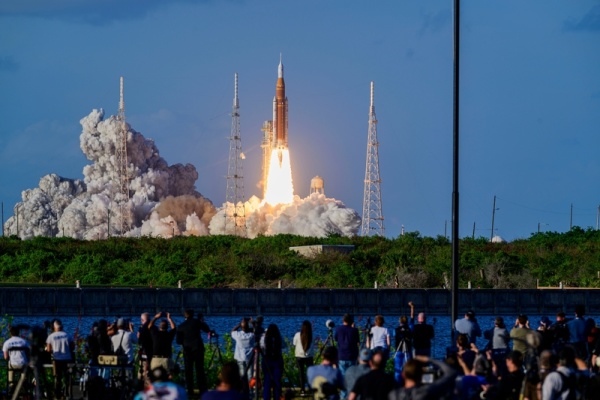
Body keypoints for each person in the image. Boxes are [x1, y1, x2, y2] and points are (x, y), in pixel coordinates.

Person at [388, 356, 457, 400]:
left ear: (403, 375)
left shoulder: (393, 395)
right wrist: (428, 359)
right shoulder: (425, 392)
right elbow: (451, 372)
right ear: (421, 375)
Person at [177, 309, 211, 398]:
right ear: (193, 314)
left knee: (188, 371)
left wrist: (184, 342)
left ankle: (190, 391)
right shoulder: (196, 322)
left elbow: (178, 341)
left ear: (184, 315)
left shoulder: (181, 326)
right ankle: (202, 390)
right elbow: (207, 329)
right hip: (198, 349)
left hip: (187, 350)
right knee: (200, 370)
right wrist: (201, 321)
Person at [46, 319, 74, 400]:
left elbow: (48, 350)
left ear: (54, 327)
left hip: (57, 360)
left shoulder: (51, 336)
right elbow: (72, 347)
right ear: (62, 326)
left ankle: (57, 395)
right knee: (67, 377)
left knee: (57, 378)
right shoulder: (68, 335)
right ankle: (68, 393)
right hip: (67, 359)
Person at [334, 314, 360, 399]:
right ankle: (352, 396)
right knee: (352, 378)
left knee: (343, 379)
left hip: (342, 356)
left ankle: (343, 396)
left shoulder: (338, 329)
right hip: (352, 356)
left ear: (343, 320)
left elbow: (336, 339)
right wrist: (353, 328)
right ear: (351, 321)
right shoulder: (355, 330)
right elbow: (357, 342)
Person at [261, 323, 284, 400]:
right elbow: (284, 345)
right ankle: (277, 397)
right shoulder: (279, 338)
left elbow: (261, 346)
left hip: (267, 360)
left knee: (267, 381)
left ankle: (266, 397)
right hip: (277, 360)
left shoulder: (264, 338)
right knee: (277, 381)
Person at [3, 325, 30, 391]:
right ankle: (24, 383)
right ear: (18, 333)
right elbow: (29, 353)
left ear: (10, 333)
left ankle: (11, 384)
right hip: (23, 364)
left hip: (13, 365)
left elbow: (6, 357)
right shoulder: (24, 342)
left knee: (9, 364)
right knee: (25, 365)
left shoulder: (7, 342)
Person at [231, 317, 255, 389]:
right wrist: (252, 323)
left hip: (240, 358)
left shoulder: (238, 335)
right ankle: (250, 391)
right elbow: (256, 330)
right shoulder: (251, 335)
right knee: (250, 376)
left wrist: (240, 324)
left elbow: (232, 331)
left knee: (242, 376)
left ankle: (243, 390)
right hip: (249, 358)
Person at [293, 320, 314, 395]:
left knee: (301, 373)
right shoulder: (312, 335)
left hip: (299, 356)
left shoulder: (297, 335)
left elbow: (294, 343)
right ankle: (311, 389)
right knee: (310, 373)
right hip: (309, 356)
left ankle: (302, 390)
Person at [393, 315, 413, 383]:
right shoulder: (409, 329)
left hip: (398, 349)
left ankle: (397, 383)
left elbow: (394, 335)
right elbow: (412, 323)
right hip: (407, 350)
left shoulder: (396, 329)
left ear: (400, 321)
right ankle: (408, 382)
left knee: (397, 369)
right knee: (409, 368)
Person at [137, 312, 155, 383]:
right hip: (152, 352)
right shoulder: (154, 327)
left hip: (144, 351)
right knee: (149, 371)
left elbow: (139, 340)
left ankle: (141, 384)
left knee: (142, 371)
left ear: (142, 320)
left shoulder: (142, 328)